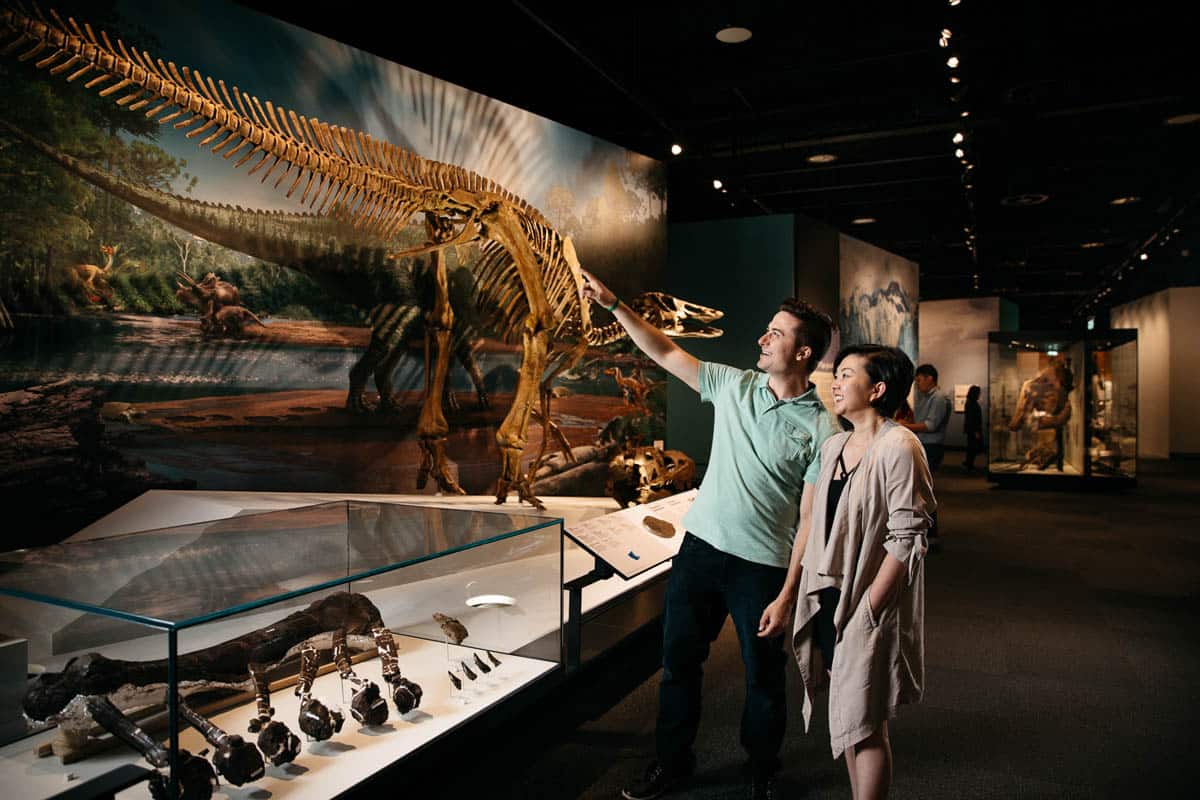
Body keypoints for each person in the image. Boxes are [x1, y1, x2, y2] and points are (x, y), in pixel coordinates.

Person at [579, 269, 840, 800]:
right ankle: (672, 762)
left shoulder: (823, 429)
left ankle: (761, 770)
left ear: (804, 353)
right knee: (678, 665)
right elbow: (666, 352)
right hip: (698, 552)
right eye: (766, 329)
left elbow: (811, 521)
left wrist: (789, 594)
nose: (762, 338)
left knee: (763, 677)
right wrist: (614, 305)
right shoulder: (734, 385)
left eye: (776, 333)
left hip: (762, 569)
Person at [792, 344, 934, 800]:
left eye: (847, 373)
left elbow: (908, 535)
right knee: (849, 715)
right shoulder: (835, 444)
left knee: (867, 720)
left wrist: (871, 606)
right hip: (834, 597)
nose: (834, 381)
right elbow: (817, 525)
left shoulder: (898, 445)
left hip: (869, 602)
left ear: (877, 389)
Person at [898, 363, 949, 544]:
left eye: (919, 380)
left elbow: (931, 425)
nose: (917, 384)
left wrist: (905, 426)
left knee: (924, 489)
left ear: (930, 378)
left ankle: (931, 533)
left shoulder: (939, 398)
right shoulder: (926, 397)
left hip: (932, 448)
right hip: (925, 446)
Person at [962, 384, 983, 471]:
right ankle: (969, 464)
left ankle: (968, 462)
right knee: (973, 447)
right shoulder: (972, 403)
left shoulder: (970, 402)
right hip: (973, 429)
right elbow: (972, 418)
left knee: (971, 446)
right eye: (978, 393)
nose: (979, 395)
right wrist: (976, 431)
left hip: (971, 429)